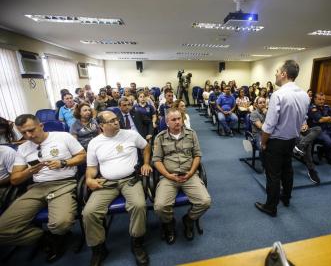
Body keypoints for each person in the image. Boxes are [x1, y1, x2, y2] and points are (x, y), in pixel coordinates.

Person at [0, 114, 86, 262]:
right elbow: (14, 179)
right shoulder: (23, 148)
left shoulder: (63, 137)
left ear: (41, 125)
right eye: (23, 133)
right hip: (36, 188)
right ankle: (46, 237)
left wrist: (64, 163)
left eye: (31, 130)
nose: (28, 135)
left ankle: (56, 235)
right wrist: (28, 172)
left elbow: (82, 156)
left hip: (63, 184)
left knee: (61, 224)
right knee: (2, 230)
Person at [83, 110, 152, 266]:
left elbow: (146, 147)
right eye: (111, 121)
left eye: (116, 119)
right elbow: (92, 167)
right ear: (101, 126)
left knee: (139, 205)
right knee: (88, 212)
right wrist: (88, 179)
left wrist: (146, 163)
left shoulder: (131, 134)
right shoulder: (95, 143)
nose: (116, 122)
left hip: (130, 180)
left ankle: (137, 243)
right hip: (106, 182)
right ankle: (99, 248)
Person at [255, 60, 309, 217]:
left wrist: (263, 142)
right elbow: (303, 119)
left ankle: (271, 207)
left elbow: (269, 125)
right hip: (291, 139)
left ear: (284, 74)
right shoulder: (304, 94)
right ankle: (286, 198)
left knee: (273, 175)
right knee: (288, 170)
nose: (276, 74)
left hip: (276, 142)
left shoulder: (278, 95)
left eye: (277, 71)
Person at [153, 108, 211, 244]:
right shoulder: (160, 137)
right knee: (160, 207)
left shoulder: (191, 134)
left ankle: (189, 219)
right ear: (167, 122)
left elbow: (197, 155)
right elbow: (156, 160)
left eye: (179, 119)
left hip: (189, 175)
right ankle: (169, 223)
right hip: (169, 177)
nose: (178, 122)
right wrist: (168, 175)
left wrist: (191, 172)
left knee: (205, 202)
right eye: (173, 120)